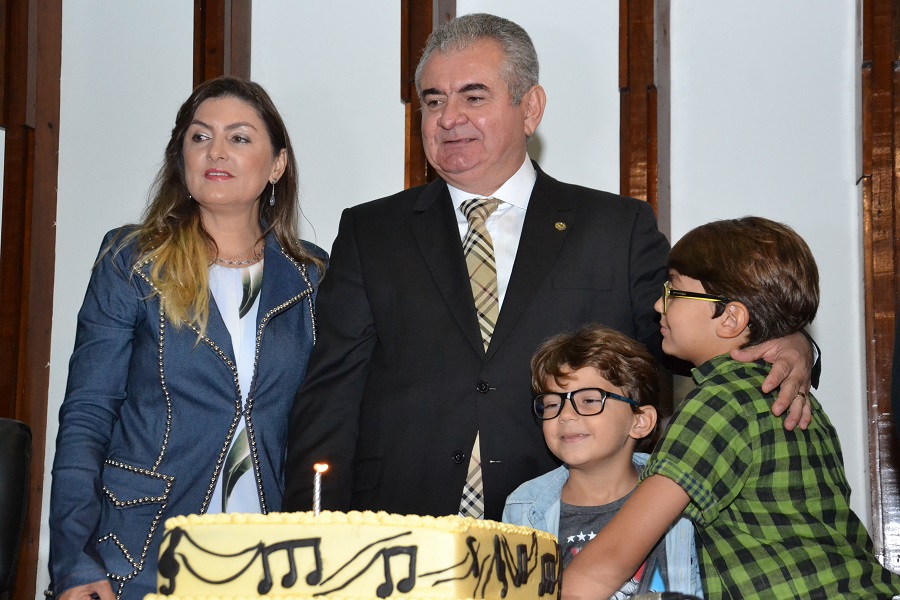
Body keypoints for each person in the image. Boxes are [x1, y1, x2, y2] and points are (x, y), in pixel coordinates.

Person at [283, 13, 814, 521]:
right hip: (403, 525)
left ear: (531, 108)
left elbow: (687, 335)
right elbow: (331, 394)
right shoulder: (372, 232)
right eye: (433, 100)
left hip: (571, 522)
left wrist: (788, 340)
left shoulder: (616, 228)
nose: (448, 118)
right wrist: (307, 527)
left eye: (473, 96)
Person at [48, 76, 327, 600]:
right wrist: (73, 561)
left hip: (271, 560)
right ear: (182, 158)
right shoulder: (132, 261)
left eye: (238, 137)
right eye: (200, 137)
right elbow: (87, 414)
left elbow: (325, 421)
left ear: (277, 165)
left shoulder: (311, 276)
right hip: (140, 552)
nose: (215, 151)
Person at [561, 217, 900, 599]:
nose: (658, 304)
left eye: (674, 290)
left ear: (731, 318)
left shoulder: (717, 405)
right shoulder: (795, 398)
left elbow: (607, 564)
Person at [502, 325, 704, 598]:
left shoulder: (680, 491)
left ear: (640, 421)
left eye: (589, 400)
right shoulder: (523, 506)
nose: (565, 415)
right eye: (552, 404)